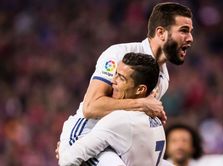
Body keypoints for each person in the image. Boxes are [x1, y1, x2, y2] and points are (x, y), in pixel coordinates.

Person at [57, 1, 193, 164]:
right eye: (184, 31)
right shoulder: (119, 54)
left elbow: (132, 119)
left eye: (190, 32)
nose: (190, 38)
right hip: (86, 135)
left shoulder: (163, 77)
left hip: (117, 142)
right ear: (161, 32)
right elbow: (90, 107)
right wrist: (141, 103)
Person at [59, 52, 167, 166]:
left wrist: (65, 149)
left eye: (121, 78)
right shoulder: (155, 118)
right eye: (116, 74)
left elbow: (68, 159)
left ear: (140, 89)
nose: (113, 81)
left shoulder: (119, 118)